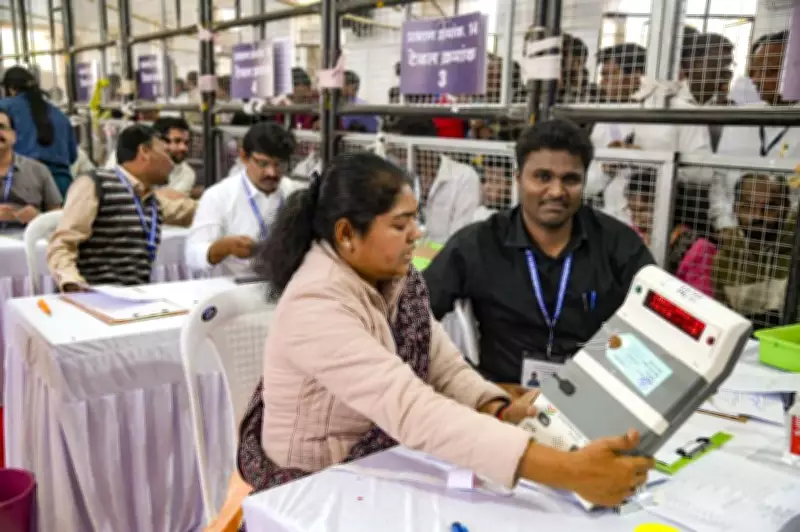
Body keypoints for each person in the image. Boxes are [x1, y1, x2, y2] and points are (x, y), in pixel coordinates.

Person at [236, 150, 654, 506]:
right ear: (346, 234)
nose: (416, 234)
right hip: (312, 484)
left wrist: (497, 408)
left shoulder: (395, 279)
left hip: (378, 458)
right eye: (400, 225)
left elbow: (444, 366)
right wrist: (571, 472)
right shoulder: (317, 303)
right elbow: (412, 408)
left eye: (415, 220)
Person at [423, 119, 654, 384]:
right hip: (506, 395)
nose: (556, 191)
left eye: (570, 179)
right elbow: (410, 317)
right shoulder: (479, 243)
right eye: (543, 177)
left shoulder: (619, 245)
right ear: (518, 179)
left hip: (595, 392)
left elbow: (658, 330)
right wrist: (464, 381)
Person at [47, 124, 196, 291]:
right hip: (93, 295)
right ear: (144, 152)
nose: (171, 164)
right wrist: (72, 283)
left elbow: (191, 211)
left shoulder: (151, 200)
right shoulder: (95, 184)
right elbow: (62, 244)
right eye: (166, 153)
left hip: (135, 295)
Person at [711, 31, 800, 233]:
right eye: (754, 71)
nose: (756, 80)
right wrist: (725, 226)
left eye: (769, 72)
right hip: (735, 235)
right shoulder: (741, 118)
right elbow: (719, 181)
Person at [185, 122, 301, 276]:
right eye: (263, 163)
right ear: (244, 157)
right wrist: (223, 248)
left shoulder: (296, 193)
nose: (272, 173)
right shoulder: (219, 196)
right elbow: (192, 256)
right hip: (233, 284)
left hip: (286, 282)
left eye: (279, 165)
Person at [712, 173, 795, 329]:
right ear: (735, 208)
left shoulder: (795, 255)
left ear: (786, 208)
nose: (757, 216)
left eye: (769, 207)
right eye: (748, 206)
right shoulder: (724, 261)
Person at [387, 117, 481, 244]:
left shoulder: (464, 177)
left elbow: (461, 239)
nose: (398, 159)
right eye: (395, 153)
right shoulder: (403, 178)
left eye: (402, 152)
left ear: (424, 147)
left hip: (447, 254)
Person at [625, 169, 717, 296]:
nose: (636, 218)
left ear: (666, 206)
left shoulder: (698, 248)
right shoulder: (630, 235)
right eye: (632, 210)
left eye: (643, 210)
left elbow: (699, 299)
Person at [0, 66, 77, 198]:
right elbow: (72, 156)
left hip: (25, 184)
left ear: (11, 89)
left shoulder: (4, 108)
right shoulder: (60, 115)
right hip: (62, 184)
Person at [0, 109, 62, 227]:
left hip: (29, 236)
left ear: (13, 136)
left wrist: (39, 217)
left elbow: (57, 216)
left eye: (1, 127)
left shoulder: (38, 170)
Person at [105, 118, 196, 196]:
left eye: (186, 143)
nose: (184, 148)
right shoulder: (125, 155)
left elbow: (169, 204)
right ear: (159, 140)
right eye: (177, 141)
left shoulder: (187, 174)